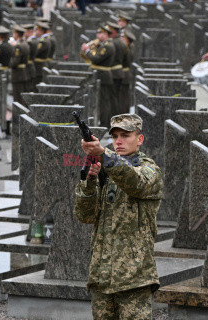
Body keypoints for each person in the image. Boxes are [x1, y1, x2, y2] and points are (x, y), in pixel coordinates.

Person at [74, 113, 163, 320]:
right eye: (115, 137)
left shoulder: (149, 169)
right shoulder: (107, 171)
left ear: (139, 139)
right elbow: (85, 216)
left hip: (134, 279)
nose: (119, 141)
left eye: (126, 135)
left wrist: (104, 155)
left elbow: (135, 182)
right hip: (102, 276)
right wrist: (89, 182)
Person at [80, 24, 114, 127]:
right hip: (99, 75)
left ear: (106, 34)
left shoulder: (108, 46)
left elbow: (96, 59)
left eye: (101, 33)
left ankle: (105, 123)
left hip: (103, 76)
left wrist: (87, 50)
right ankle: (101, 121)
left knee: (104, 102)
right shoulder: (101, 44)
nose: (98, 35)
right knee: (98, 101)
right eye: (98, 33)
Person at [107, 21, 125, 116]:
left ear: (114, 32)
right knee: (116, 97)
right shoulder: (122, 42)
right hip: (120, 71)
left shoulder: (112, 43)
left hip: (113, 72)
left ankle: (113, 118)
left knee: (112, 98)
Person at [9, 24, 30, 104]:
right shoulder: (25, 43)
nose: (13, 35)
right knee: (21, 97)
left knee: (17, 97)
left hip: (18, 74)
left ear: (17, 34)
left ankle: (16, 115)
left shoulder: (18, 46)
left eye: (14, 33)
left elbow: (15, 62)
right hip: (23, 73)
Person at [120, 29, 135, 114]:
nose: (121, 39)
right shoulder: (127, 48)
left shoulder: (127, 49)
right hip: (125, 74)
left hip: (124, 75)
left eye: (123, 38)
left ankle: (124, 114)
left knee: (124, 98)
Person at [23, 23, 37, 92]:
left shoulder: (31, 42)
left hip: (28, 68)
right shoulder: (31, 41)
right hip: (30, 67)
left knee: (28, 88)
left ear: (29, 31)